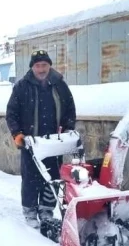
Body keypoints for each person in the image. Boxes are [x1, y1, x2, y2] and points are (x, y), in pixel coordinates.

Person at [5, 49, 77, 229]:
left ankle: (46, 210)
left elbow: (70, 109)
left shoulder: (59, 84)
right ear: (32, 67)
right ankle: (30, 211)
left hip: (54, 142)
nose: (41, 69)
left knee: (53, 178)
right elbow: (11, 113)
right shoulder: (22, 87)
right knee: (30, 178)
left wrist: (68, 129)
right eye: (38, 65)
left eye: (44, 65)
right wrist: (17, 134)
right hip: (31, 143)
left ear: (49, 65)